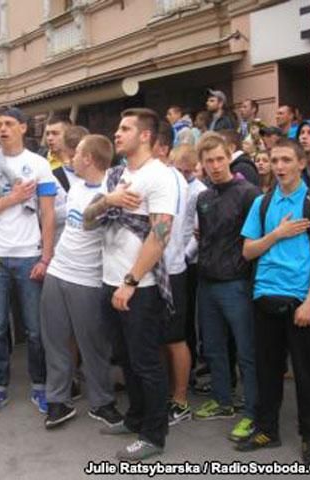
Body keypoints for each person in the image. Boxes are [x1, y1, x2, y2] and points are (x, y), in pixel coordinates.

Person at [83, 108, 177, 461]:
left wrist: (131, 281)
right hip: (111, 281)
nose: (116, 134)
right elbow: (88, 221)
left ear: (146, 137)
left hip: (139, 286)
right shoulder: (117, 175)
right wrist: (108, 199)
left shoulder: (159, 176)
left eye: (125, 129)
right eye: (118, 127)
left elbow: (160, 234)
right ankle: (136, 417)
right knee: (125, 358)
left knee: (146, 362)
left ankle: (154, 434)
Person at [238, 138, 310, 465]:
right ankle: (268, 430)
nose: (279, 166)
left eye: (285, 160)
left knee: (307, 377)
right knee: (267, 371)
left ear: (301, 163)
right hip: (265, 297)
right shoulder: (262, 203)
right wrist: (276, 234)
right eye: (274, 160)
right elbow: (248, 250)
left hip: (301, 303)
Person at [0, 107, 56, 415]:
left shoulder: (39, 164)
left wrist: (46, 257)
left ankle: (40, 386)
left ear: (22, 127)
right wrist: (11, 199)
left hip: (29, 255)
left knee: (35, 329)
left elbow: (47, 215)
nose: (2, 129)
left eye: (8, 124)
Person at [41, 134, 124, 429]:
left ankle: (102, 403)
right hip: (57, 273)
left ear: (88, 158)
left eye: (76, 153)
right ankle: (58, 401)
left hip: (88, 279)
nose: (71, 157)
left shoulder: (112, 191)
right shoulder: (75, 186)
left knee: (93, 346)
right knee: (55, 341)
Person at [191, 132, 259, 445]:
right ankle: (222, 400)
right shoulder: (203, 198)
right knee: (214, 348)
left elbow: (254, 242)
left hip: (238, 284)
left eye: (220, 159)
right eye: (209, 161)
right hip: (207, 282)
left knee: (247, 351)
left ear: (229, 156)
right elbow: (204, 238)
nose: (216, 166)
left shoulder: (249, 194)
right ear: (202, 165)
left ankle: (255, 410)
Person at [153, 122, 192, 426]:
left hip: (171, 269)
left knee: (174, 338)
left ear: (162, 147)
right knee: (160, 337)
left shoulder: (170, 177)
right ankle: (166, 392)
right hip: (155, 270)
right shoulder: (157, 175)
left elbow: (164, 230)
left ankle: (180, 399)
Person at [174, 144, 208, 393]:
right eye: (180, 170)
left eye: (188, 171)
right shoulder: (173, 184)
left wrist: (185, 256)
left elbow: (198, 231)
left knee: (186, 321)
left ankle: (190, 371)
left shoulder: (199, 191)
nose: (185, 175)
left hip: (189, 261)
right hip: (174, 258)